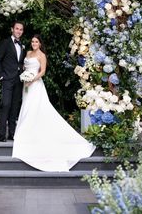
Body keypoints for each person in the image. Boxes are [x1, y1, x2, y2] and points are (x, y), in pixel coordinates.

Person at [12, 34, 95, 171]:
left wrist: (32, 79)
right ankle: (27, 130)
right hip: (26, 85)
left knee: (34, 107)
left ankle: (29, 131)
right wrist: (24, 77)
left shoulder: (42, 55)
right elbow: (25, 68)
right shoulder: (28, 53)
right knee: (26, 106)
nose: (34, 43)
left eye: (36, 41)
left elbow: (43, 71)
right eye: (32, 41)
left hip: (35, 84)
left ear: (40, 43)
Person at [0, 21, 26, 142]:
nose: (19, 31)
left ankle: (12, 134)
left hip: (18, 80)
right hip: (7, 79)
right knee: (6, 105)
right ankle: (2, 134)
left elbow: (20, 62)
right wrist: (1, 75)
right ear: (12, 29)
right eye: (17, 29)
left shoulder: (22, 45)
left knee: (14, 107)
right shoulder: (6, 43)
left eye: (21, 29)